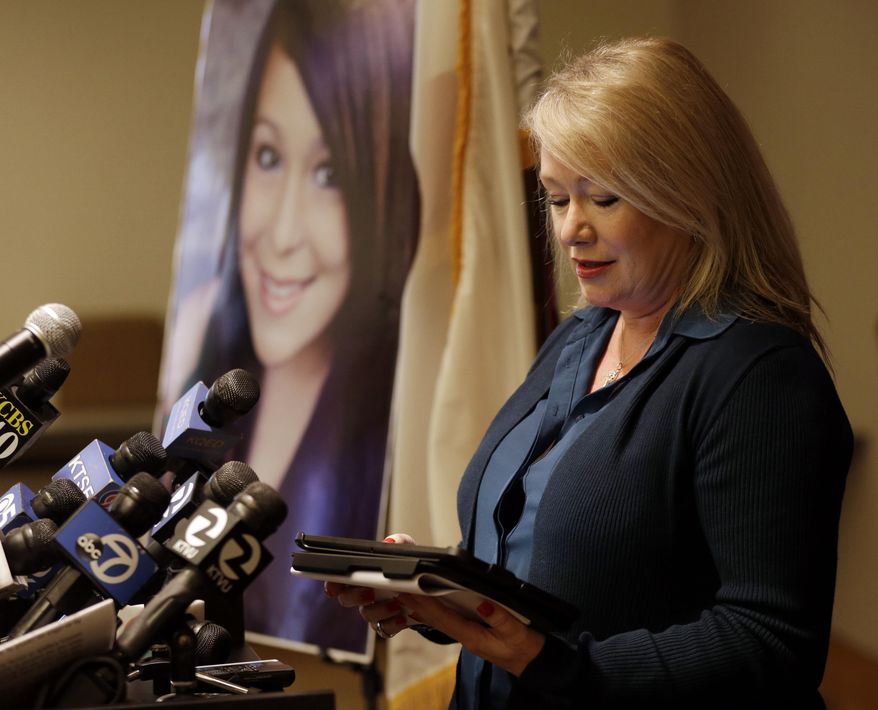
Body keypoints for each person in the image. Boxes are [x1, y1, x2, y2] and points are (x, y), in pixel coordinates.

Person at [328, 36, 852, 707]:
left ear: (686, 198)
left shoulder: (759, 376)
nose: (571, 229)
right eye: (555, 198)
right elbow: (531, 556)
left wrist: (559, 665)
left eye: (601, 198)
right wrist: (434, 585)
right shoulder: (580, 337)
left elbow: (771, 641)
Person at [165, 0, 419, 653]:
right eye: (269, 156)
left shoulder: (404, 425)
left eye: (329, 174)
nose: (280, 234)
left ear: (381, 194)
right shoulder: (200, 333)